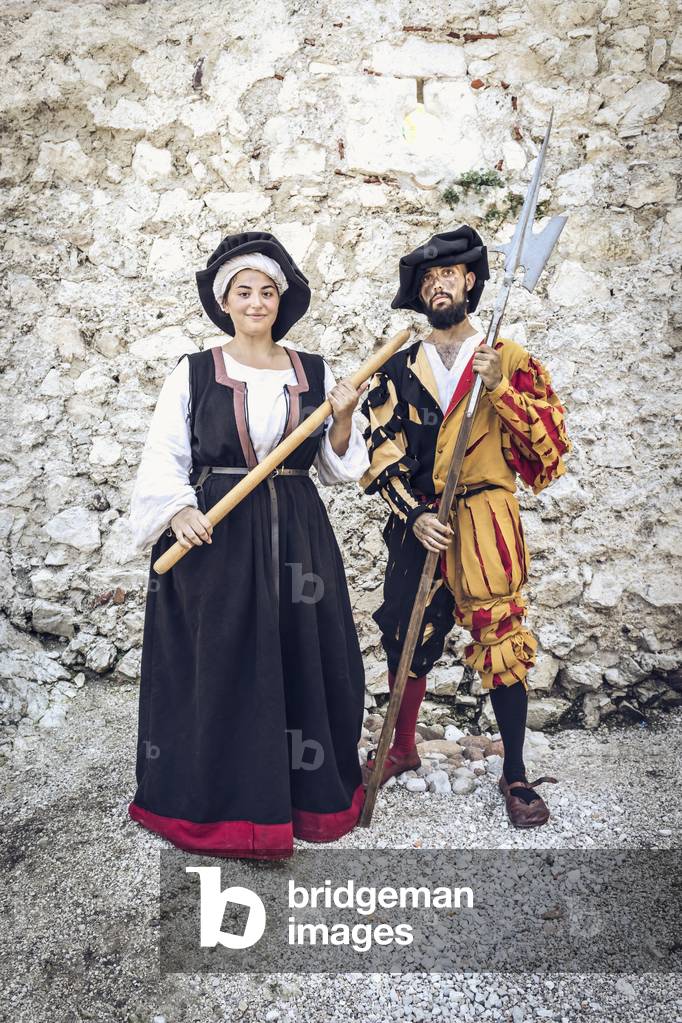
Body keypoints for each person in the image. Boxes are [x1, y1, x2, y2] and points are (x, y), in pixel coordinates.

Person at [127, 230, 369, 859]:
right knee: (219, 663)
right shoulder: (194, 371)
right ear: (224, 301)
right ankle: (215, 808)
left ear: (280, 300)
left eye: (266, 291)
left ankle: (306, 803)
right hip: (215, 535)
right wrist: (179, 509)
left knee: (303, 656)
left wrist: (344, 416)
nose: (256, 302)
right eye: (244, 291)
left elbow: (339, 467)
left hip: (296, 535)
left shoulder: (313, 371)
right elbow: (163, 454)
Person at [360, 226, 571, 828]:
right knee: (404, 633)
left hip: (485, 518)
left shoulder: (509, 359)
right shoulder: (400, 368)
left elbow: (549, 450)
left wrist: (499, 387)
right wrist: (415, 514)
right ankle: (402, 747)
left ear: (470, 281)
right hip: (419, 522)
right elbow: (381, 451)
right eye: (427, 279)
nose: (437, 285)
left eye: (447, 274)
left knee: (501, 639)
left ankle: (516, 772)